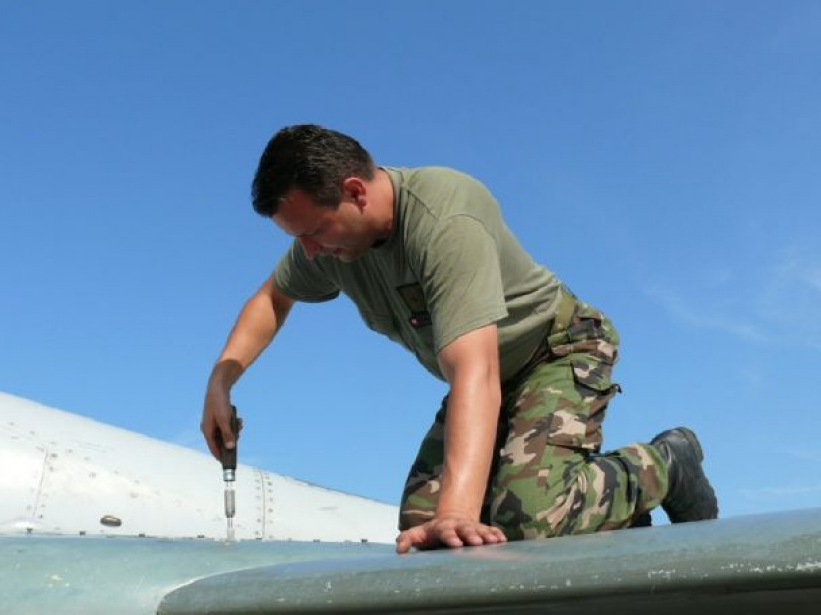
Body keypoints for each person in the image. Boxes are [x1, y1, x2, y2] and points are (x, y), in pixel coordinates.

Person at [201, 124, 718, 554]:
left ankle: (666, 464)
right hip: (489, 374)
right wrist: (221, 382)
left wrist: (458, 513)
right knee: (421, 528)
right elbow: (272, 298)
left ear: (356, 192)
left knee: (526, 517)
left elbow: (476, 369)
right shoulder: (330, 246)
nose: (309, 252)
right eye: (298, 239)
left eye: (313, 232)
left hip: (555, 350)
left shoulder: (444, 217)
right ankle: (611, 519)